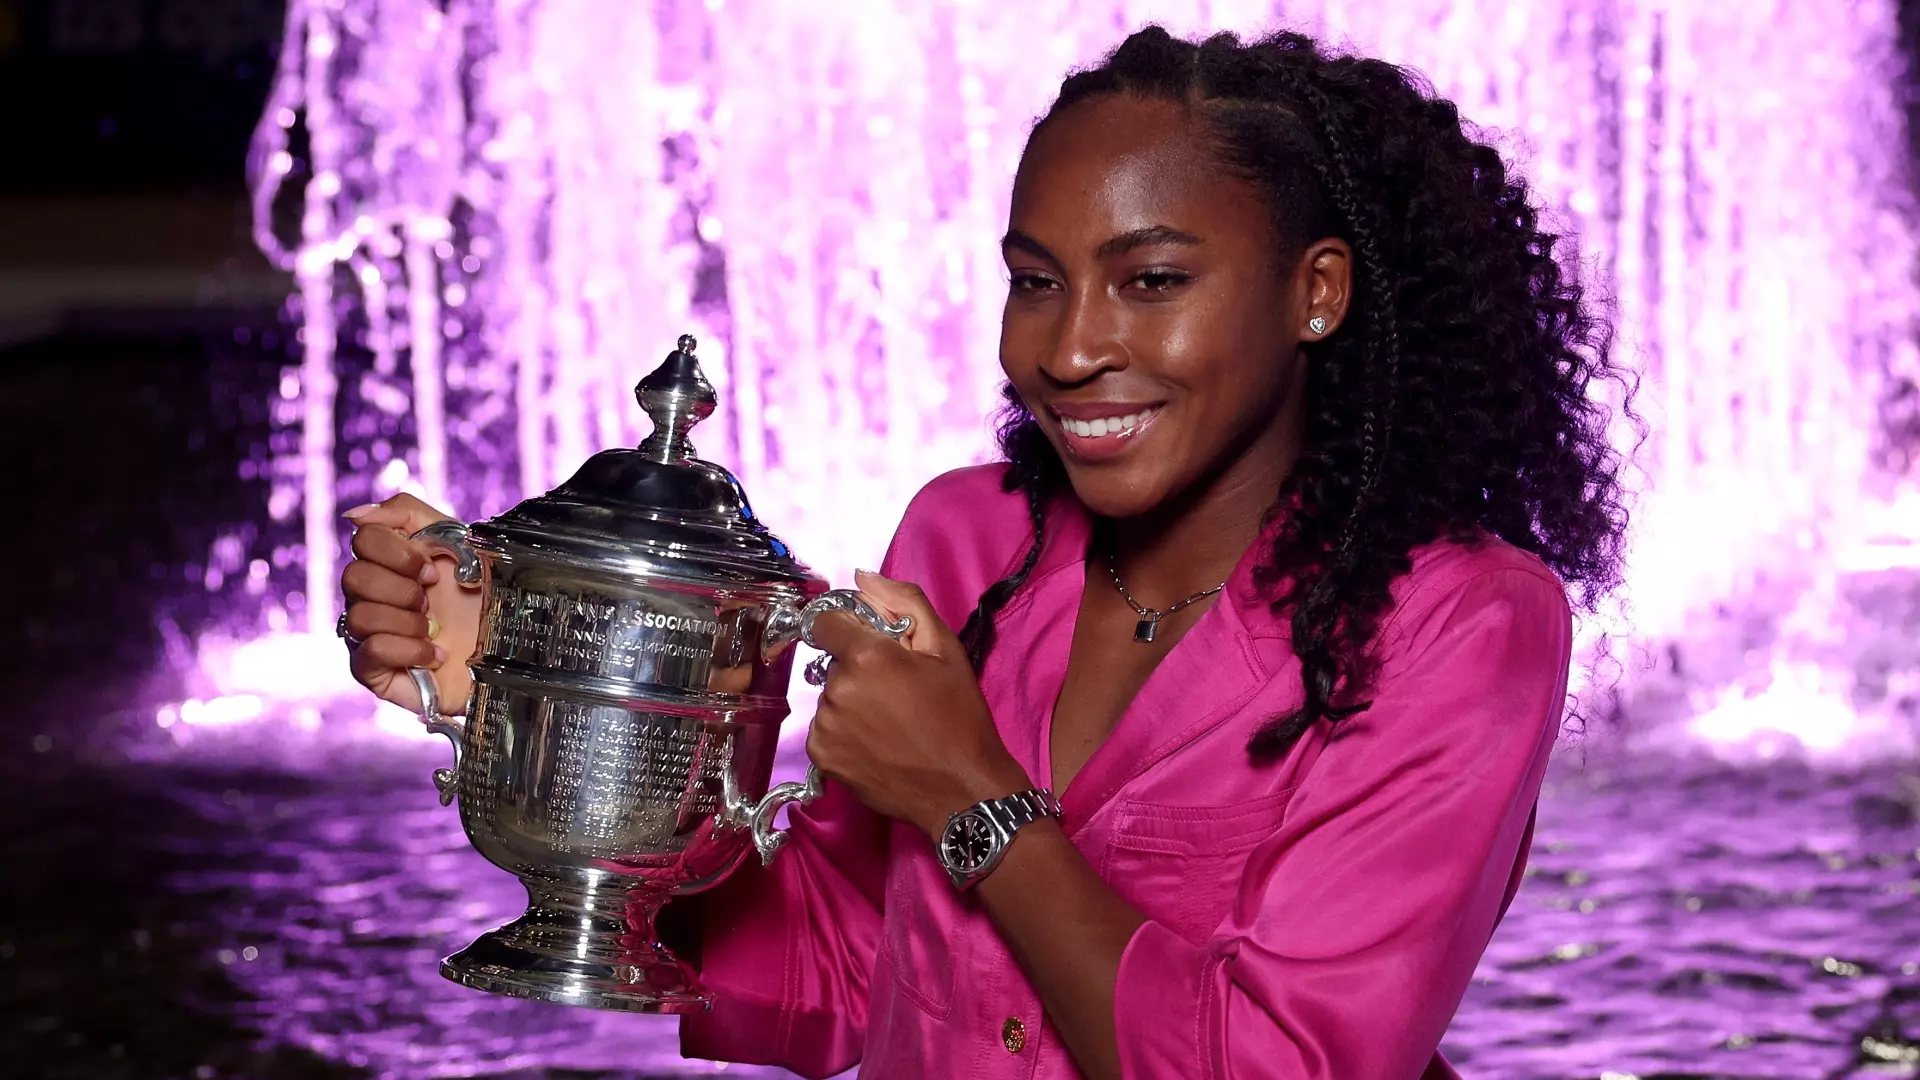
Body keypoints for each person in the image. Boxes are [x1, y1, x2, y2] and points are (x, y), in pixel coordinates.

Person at [340, 25, 1630, 1080]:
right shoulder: (968, 541)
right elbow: (840, 970)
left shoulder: (1459, 621)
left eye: (1153, 280)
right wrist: (553, 712)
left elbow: (1286, 1065)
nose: (1068, 350)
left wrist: (971, 798)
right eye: (1036, 279)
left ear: (1317, 292)